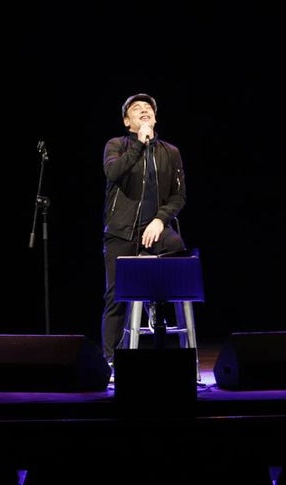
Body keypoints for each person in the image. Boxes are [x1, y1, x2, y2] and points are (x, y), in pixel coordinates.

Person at [101, 93, 188, 377]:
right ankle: (111, 361)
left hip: (154, 228)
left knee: (177, 246)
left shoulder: (170, 152)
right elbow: (114, 172)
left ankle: (154, 303)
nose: (144, 110)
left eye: (148, 108)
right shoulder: (117, 145)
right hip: (121, 230)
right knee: (116, 296)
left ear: (155, 117)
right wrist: (139, 143)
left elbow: (179, 196)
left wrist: (161, 220)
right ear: (128, 122)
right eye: (136, 109)